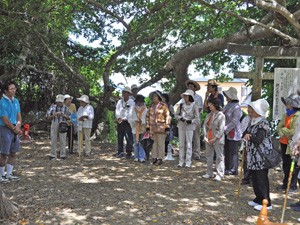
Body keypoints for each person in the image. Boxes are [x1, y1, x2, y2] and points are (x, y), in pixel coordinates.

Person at [243, 99, 273, 211]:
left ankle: (266, 202)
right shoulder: (253, 121)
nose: (250, 110)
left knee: (261, 178)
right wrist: (246, 135)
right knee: (254, 177)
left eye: (252, 108)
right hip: (253, 155)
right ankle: (258, 198)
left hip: (261, 156)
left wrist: (248, 136)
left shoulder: (263, 123)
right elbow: (245, 132)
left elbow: (259, 139)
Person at [276, 94, 300, 193]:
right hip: (284, 142)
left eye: (288, 103)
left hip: (293, 144)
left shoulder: (298, 115)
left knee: (293, 166)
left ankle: (292, 186)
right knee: (285, 165)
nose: (286, 104)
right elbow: (279, 127)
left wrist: (284, 130)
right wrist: (283, 133)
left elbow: (293, 131)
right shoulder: (286, 114)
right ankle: (285, 183)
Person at [0, 80, 22, 183]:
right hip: (5, 128)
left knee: (13, 152)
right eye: (11, 89)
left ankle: (9, 173)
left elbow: (19, 116)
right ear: (5, 91)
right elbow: (5, 119)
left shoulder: (16, 101)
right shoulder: (2, 102)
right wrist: (14, 129)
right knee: (4, 153)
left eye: (14, 88)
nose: (13, 90)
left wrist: (18, 126)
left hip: (14, 128)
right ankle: (1, 175)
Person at [202, 98, 225, 181]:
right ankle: (209, 172)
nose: (209, 106)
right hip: (208, 137)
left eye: (210, 104)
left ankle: (220, 174)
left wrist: (215, 138)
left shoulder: (221, 115)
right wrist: (205, 136)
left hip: (217, 139)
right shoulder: (209, 115)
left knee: (219, 157)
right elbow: (204, 125)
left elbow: (221, 129)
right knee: (209, 156)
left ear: (215, 105)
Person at [175, 90, 200, 168]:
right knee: (181, 144)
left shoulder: (194, 106)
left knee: (189, 144)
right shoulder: (181, 105)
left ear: (190, 97)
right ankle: (181, 161)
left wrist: (190, 121)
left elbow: (197, 119)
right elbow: (176, 115)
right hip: (181, 125)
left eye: (187, 96)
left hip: (190, 127)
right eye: (185, 96)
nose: (185, 97)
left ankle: (188, 161)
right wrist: (182, 119)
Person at [146, 90, 170, 166]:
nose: (153, 97)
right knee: (153, 144)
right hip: (152, 128)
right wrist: (147, 127)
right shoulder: (150, 107)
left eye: (155, 96)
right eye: (153, 96)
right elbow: (147, 117)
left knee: (160, 143)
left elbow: (168, 117)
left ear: (159, 97)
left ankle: (160, 158)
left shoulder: (164, 106)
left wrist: (167, 127)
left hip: (161, 127)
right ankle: (154, 158)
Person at [222, 87, 243, 176]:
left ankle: (233, 169)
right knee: (227, 150)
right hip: (226, 132)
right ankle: (227, 167)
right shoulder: (227, 105)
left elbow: (234, 121)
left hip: (233, 132)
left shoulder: (237, 107)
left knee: (233, 151)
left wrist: (225, 129)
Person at [46, 94, 71, 160]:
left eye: (60, 102)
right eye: (58, 102)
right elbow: (47, 117)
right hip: (54, 123)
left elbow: (70, 117)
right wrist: (52, 116)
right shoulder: (52, 107)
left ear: (63, 101)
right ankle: (53, 154)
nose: (59, 103)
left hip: (63, 123)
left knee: (63, 139)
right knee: (53, 139)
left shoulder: (66, 108)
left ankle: (63, 155)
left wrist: (64, 116)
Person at [184, 80, 203, 160]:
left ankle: (196, 153)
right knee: (186, 137)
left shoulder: (198, 98)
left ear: (195, 88)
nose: (190, 88)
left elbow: (199, 109)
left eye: (191, 87)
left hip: (195, 119)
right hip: (186, 119)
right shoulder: (185, 97)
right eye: (189, 87)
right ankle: (186, 152)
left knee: (196, 136)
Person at [115, 86, 135, 158]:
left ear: (128, 94)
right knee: (120, 137)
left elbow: (131, 112)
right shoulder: (120, 101)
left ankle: (129, 152)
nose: (123, 94)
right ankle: (120, 151)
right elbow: (117, 110)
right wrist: (118, 117)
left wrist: (124, 118)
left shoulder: (131, 102)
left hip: (127, 122)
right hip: (120, 121)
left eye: (125, 92)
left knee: (128, 137)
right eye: (123, 92)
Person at [128, 95, 147, 162]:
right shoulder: (132, 109)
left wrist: (142, 121)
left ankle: (142, 157)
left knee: (142, 143)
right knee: (136, 143)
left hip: (142, 128)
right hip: (135, 128)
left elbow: (147, 118)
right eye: (139, 102)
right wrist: (135, 120)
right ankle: (136, 156)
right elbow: (129, 118)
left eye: (141, 102)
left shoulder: (145, 109)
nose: (140, 103)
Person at [240, 111, 252, 186]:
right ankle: (246, 177)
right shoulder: (246, 118)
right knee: (245, 161)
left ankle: (252, 179)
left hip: (253, 144)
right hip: (245, 142)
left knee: (252, 162)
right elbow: (241, 128)